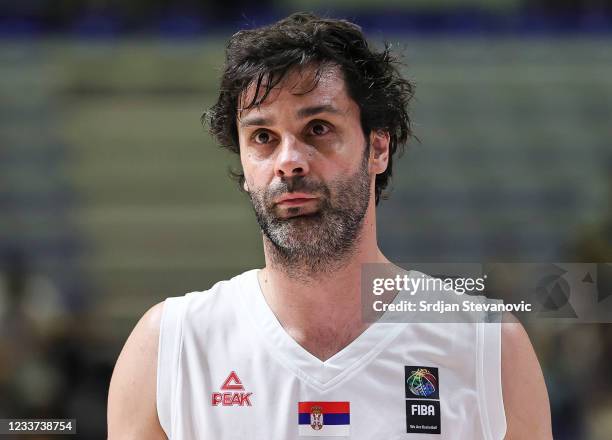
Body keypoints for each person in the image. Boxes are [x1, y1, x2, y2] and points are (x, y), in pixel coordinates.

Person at [107, 12, 552, 439]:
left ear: (378, 148)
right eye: (263, 138)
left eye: (318, 128)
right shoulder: (170, 345)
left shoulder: (488, 345)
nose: (289, 162)